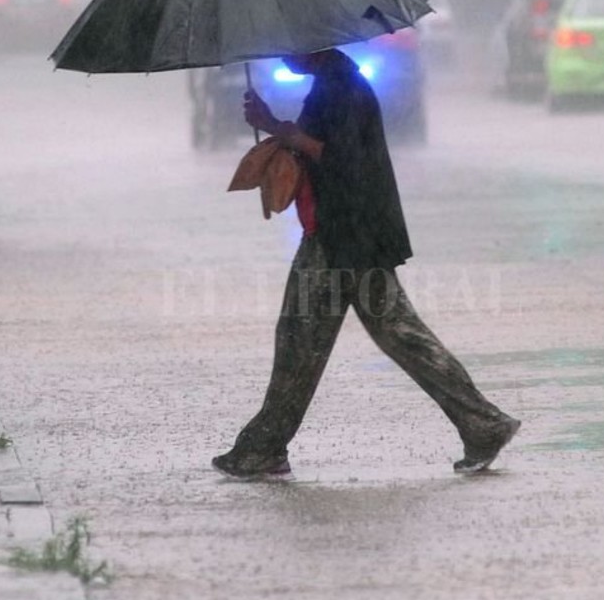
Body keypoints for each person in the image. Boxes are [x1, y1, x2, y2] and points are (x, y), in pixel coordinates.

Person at [212, 48, 520, 479]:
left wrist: (278, 130)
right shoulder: (332, 84)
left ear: (314, 42)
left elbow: (342, 159)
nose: (282, 54)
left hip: (345, 237)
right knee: (379, 336)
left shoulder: (342, 88)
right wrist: (278, 129)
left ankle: (264, 448)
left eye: (289, 44)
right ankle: (482, 424)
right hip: (347, 234)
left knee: (312, 339)